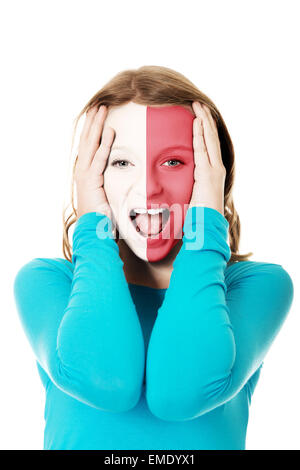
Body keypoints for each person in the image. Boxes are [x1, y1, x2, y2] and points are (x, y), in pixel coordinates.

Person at [13, 65, 294, 450]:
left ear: (212, 176)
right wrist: (93, 225)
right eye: (121, 162)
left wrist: (205, 224)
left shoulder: (257, 286)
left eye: (174, 162)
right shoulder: (46, 282)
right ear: (90, 176)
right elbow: (105, 381)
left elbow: (182, 393)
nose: (147, 187)